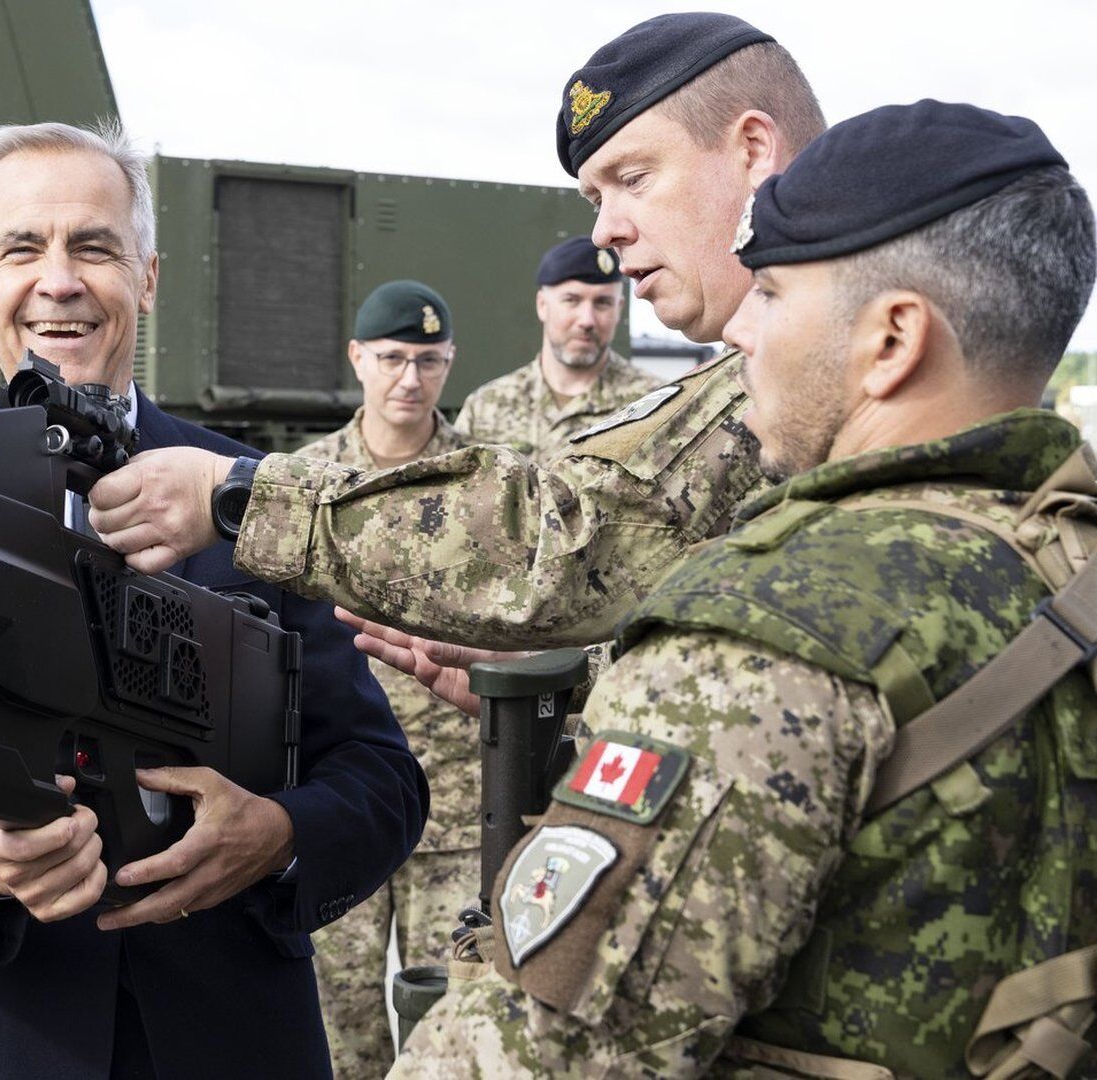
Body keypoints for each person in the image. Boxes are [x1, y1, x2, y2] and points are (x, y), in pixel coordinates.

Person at [393, 100, 1097, 1078]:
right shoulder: (1069, 560)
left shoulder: (763, 627)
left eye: (768, 293)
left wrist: (669, 698)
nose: (739, 332)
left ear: (893, 339)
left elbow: (523, 1058)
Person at [0, 120, 428, 1079]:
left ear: (146, 277)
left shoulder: (256, 499)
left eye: (94, 247)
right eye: (22, 248)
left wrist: (278, 837)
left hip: (217, 1040)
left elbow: (382, 778)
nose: (58, 280)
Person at [86, 12, 825, 652]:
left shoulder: (815, 351)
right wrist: (556, 680)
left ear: (753, 149)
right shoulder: (788, 349)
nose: (606, 231)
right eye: (595, 198)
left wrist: (237, 496)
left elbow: (560, 544)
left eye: (633, 179)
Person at [298, 280, 478, 1079]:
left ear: (450, 364)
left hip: (458, 800)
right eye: (394, 358)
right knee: (339, 1017)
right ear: (357, 359)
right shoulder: (302, 482)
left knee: (454, 1014)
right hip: (341, 791)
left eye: (429, 361)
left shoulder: (488, 481)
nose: (411, 378)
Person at [453, 237, 659, 461]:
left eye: (602, 303)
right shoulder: (486, 408)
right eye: (572, 300)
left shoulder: (652, 405)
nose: (587, 320)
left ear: (619, 309)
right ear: (542, 305)